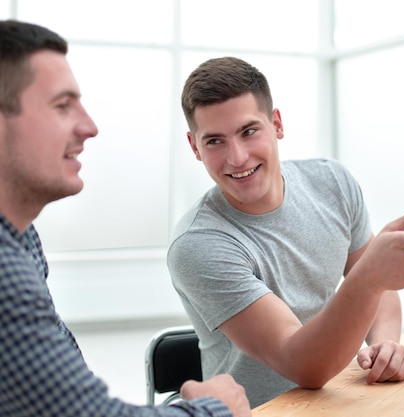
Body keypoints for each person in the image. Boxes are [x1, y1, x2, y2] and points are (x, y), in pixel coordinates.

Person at [167, 56, 404, 408]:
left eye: (249, 131)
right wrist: (369, 279)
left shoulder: (332, 183)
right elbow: (303, 366)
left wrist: (385, 344)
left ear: (276, 124)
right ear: (195, 147)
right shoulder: (198, 245)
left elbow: (378, 289)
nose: (238, 157)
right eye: (215, 141)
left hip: (343, 400)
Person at [0, 20, 251, 417]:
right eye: (62, 106)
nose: (90, 127)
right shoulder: (4, 272)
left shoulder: (21, 238)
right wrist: (211, 411)